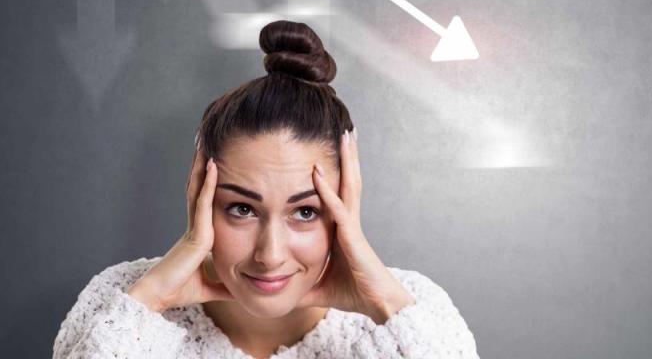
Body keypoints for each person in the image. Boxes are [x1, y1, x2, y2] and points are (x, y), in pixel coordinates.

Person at [52, 20, 480, 359]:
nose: (270, 254)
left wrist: (386, 308)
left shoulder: (413, 311)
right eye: (241, 209)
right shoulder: (122, 302)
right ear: (200, 194)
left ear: (345, 205)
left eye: (305, 212)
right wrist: (151, 298)